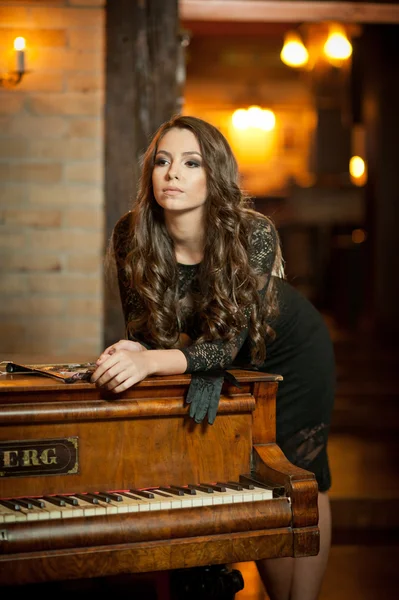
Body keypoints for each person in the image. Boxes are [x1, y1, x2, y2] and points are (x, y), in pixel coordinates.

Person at [91, 115, 335, 600]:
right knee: (254, 475)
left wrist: (162, 360)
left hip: (288, 351)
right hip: (204, 353)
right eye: (162, 161)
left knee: (300, 475)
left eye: (190, 162)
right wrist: (138, 353)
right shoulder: (131, 235)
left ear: (215, 174)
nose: (172, 173)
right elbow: (145, 333)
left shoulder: (252, 232)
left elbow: (225, 345)